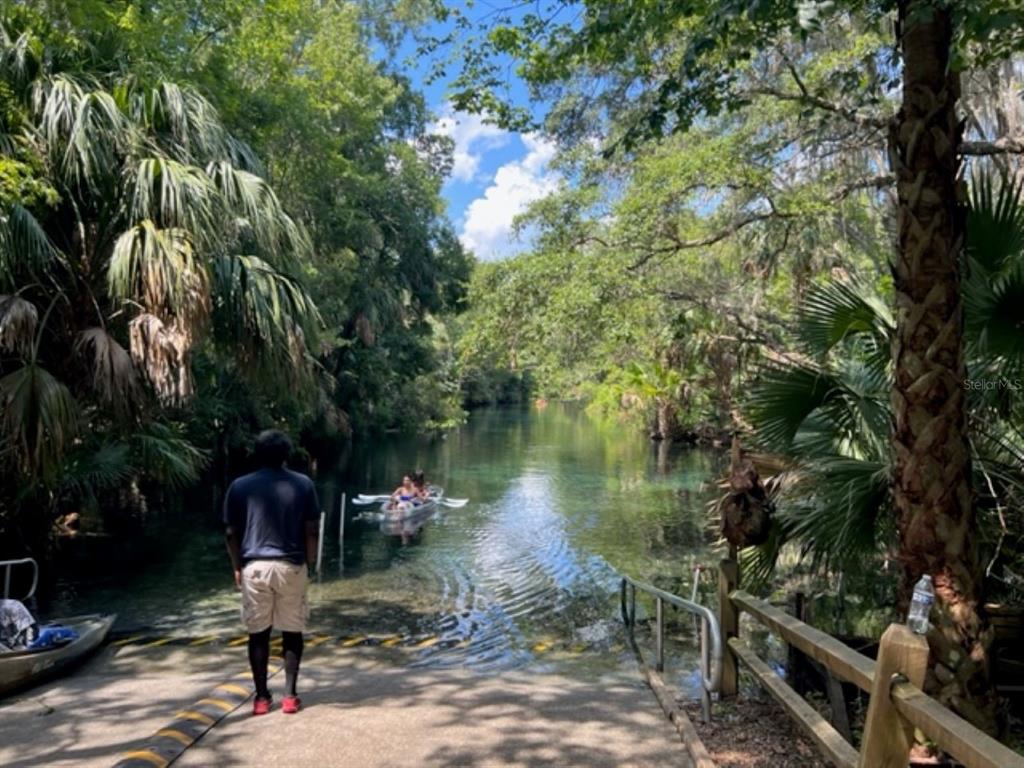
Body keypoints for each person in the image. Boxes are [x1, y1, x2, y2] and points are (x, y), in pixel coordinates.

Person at [224, 430, 319, 716]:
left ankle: (262, 698)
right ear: (287, 454)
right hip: (291, 564)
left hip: (255, 566)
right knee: (292, 631)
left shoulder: (240, 486)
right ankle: (290, 696)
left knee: (258, 634)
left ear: (257, 453)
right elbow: (312, 529)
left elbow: (230, 532)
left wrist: (237, 566)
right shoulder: (303, 484)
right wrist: (310, 562)